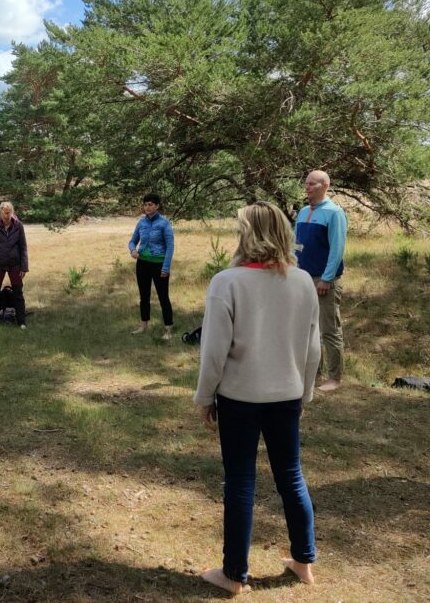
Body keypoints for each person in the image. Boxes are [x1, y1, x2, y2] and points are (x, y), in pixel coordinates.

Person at [193, 201, 321, 595]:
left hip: (240, 398)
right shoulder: (302, 281)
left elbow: (214, 352)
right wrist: (305, 393)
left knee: (240, 482)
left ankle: (234, 574)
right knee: (291, 476)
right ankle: (303, 562)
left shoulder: (227, 282)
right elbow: (313, 348)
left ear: (247, 235)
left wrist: (204, 397)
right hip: (287, 396)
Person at [294, 170, 348, 392]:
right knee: (308, 329)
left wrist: (326, 278)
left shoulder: (334, 213)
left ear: (325, 185)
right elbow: (296, 244)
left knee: (329, 330)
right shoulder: (303, 211)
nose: (307, 187)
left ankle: (334, 378)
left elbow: (337, 249)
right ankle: (313, 373)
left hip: (324, 280)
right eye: (306, 183)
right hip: (302, 278)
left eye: (312, 184)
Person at [128, 193, 175, 340]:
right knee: (144, 296)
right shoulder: (141, 223)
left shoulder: (164, 223)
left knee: (163, 296)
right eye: (145, 204)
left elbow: (170, 247)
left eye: (150, 204)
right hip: (142, 264)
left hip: (159, 264)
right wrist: (133, 250)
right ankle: (144, 325)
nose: (147, 207)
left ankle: (168, 329)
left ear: (157, 206)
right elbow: (132, 241)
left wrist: (165, 267)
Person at [0, 201, 28, 329]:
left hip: (15, 265)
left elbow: (23, 248)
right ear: (0, 212)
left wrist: (24, 267)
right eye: (5, 212)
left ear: (12, 212)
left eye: (9, 212)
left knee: (18, 293)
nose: (7, 215)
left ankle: (21, 322)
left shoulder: (18, 226)